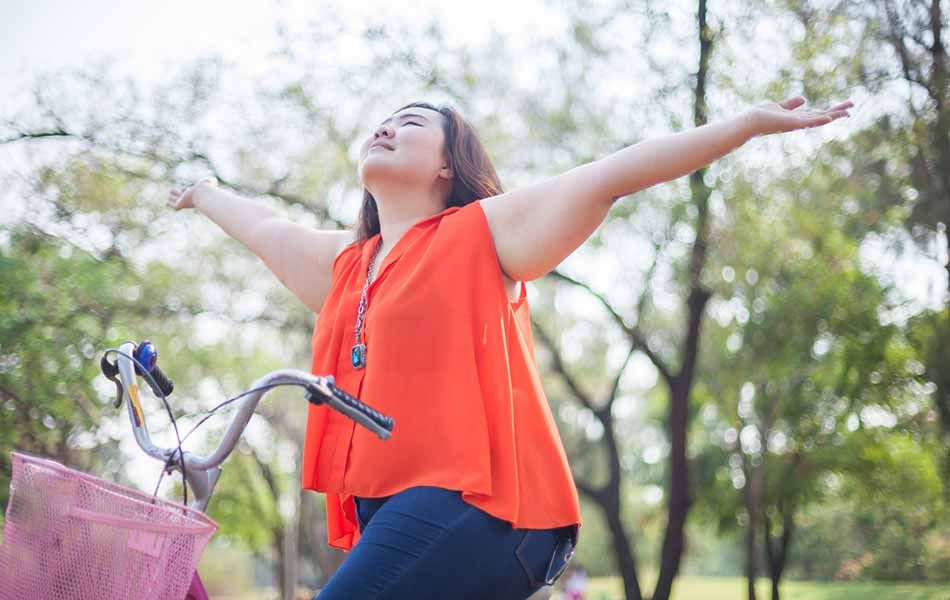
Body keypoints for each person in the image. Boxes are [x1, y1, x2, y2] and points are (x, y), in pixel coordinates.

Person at [167, 96, 851, 599]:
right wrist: (202, 193)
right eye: (381, 120)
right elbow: (263, 226)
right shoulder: (347, 266)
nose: (385, 126)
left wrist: (744, 125)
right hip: (393, 512)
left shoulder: (483, 233)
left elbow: (610, 174)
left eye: (410, 123)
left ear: (446, 165)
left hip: (487, 507)